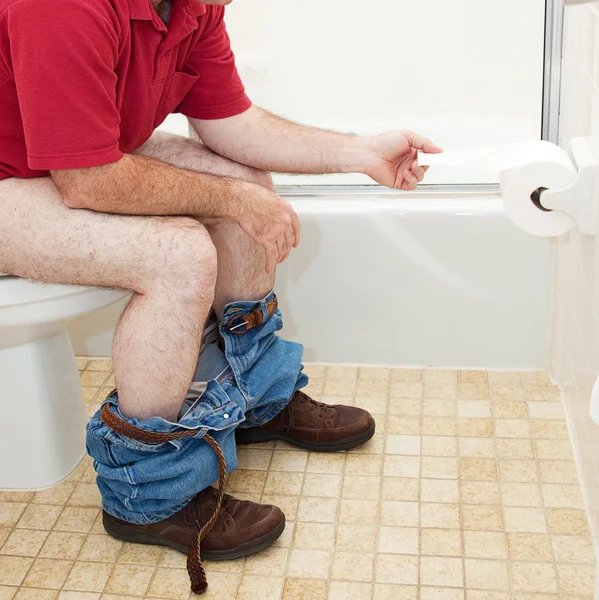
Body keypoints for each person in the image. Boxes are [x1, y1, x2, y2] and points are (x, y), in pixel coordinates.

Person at [0, 0, 442, 593]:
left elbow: (232, 125)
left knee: (241, 180)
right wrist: (235, 203)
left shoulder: (192, 6)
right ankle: (147, 494)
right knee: (177, 253)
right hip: (19, 181)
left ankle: (254, 402)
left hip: (56, 166)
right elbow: (91, 180)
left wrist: (359, 152)